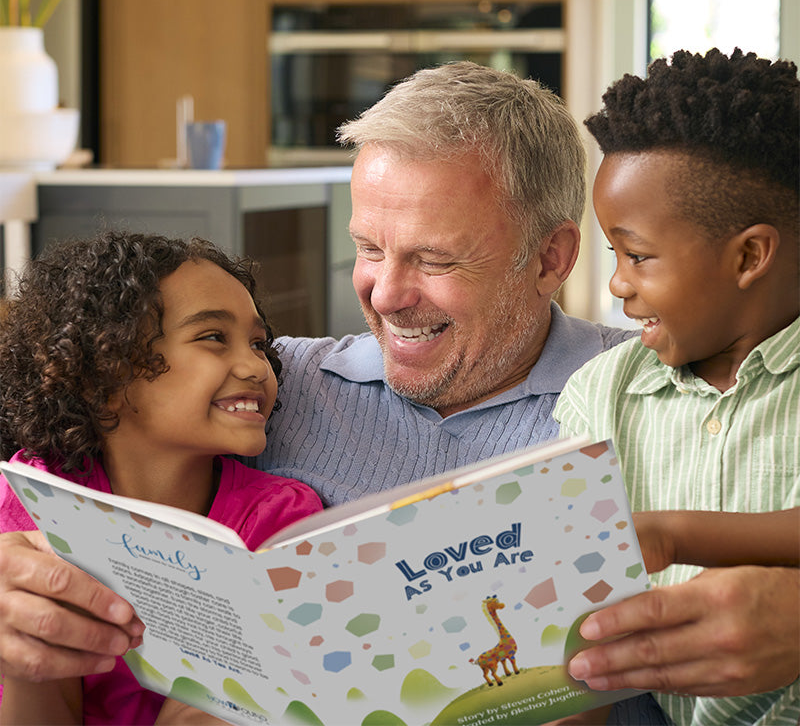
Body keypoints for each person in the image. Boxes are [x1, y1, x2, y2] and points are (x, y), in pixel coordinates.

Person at [0, 61, 797, 719]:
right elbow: (85, 420)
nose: (383, 294)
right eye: (369, 248)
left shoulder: (666, 383)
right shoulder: (271, 384)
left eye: (436, 261)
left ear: (552, 259)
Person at [554, 48, 800, 725]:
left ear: (749, 255)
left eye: (637, 255)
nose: (617, 284)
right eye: (615, 255)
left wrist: (674, 533)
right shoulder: (599, 395)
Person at [0, 232, 322, 725]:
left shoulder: (281, 517)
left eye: (258, 344)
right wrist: (29, 657)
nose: (255, 366)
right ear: (103, 372)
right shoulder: (32, 495)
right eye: (214, 336)